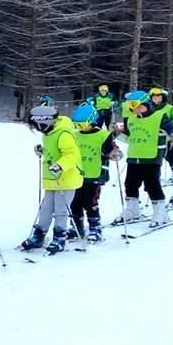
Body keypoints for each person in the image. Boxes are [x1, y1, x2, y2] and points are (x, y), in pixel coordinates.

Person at [20, 105, 82, 252]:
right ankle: (39, 235)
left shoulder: (63, 134)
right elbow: (54, 151)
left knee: (61, 210)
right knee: (45, 209)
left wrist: (60, 165)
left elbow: (72, 155)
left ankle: (59, 237)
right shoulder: (49, 134)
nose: (36, 129)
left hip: (65, 179)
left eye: (36, 126)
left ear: (44, 122)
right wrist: (43, 150)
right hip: (52, 179)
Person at [114, 90, 173, 227]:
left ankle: (161, 213)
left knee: (152, 185)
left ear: (146, 103)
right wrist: (118, 134)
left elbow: (171, 129)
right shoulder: (131, 119)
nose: (133, 109)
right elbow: (129, 137)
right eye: (131, 106)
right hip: (134, 156)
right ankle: (132, 210)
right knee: (130, 184)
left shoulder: (159, 116)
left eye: (135, 105)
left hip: (152, 157)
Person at [68, 104, 117, 243]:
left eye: (81, 124)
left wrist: (114, 153)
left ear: (91, 121)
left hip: (95, 175)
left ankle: (95, 227)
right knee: (75, 202)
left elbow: (111, 149)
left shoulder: (103, 135)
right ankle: (76, 227)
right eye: (76, 125)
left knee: (90, 202)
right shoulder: (75, 135)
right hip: (76, 175)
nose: (79, 128)